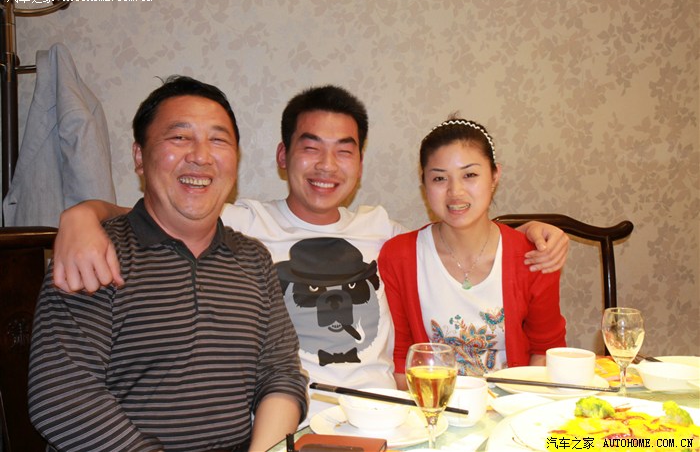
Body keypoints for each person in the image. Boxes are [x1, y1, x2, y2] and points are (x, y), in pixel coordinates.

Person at [50, 86, 568, 420]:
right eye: (310, 147)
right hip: (292, 420)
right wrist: (80, 216)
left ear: (359, 163)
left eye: (344, 150)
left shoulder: (384, 233)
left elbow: (455, 226)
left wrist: (532, 231)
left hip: (383, 417)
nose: (327, 165)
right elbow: (157, 209)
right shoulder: (240, 222)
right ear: (283, 156)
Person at [28, 76, 308, 452]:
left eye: (218, 140)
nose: (201, 156)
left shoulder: (253, 260)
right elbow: (63, 398)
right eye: (179, 137)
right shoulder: (95, 253)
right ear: (139, 157)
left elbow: (280, 374)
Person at [378, 118, 567, 390]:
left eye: (470, 175)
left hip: (513, 403)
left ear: (495, 176)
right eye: (439, 178)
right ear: (424, 184)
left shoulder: (533, 255)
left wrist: (517, 405)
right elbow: (400, 358)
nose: (455, 192)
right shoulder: (399, 256)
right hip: (434, 405)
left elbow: (546, 351)